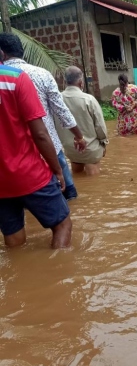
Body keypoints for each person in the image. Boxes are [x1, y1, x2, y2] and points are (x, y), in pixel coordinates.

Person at [0, 33, 86, 201]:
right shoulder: (42, 74)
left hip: (12, 156)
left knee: (20, 207)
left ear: (2, 53)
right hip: (49, 146)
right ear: (22, 51)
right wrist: (79, 136)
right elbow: (61, 111)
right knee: (69, 198)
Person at [0, 60, 72, 248]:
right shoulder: (15, 78)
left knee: (13, 235)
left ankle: (21, 274)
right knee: (62, 223)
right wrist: (57, 170)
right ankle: (60, 272)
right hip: (28, 172)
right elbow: (40, 134)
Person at [59, 66, 108, 175]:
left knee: (77, 176)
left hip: (70, 149)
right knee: (94, 180)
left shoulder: (57, 99)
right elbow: (100, 127)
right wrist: (104, 143)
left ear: (65, 81)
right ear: (81, 82)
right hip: (90, 148)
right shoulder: (88, 100)